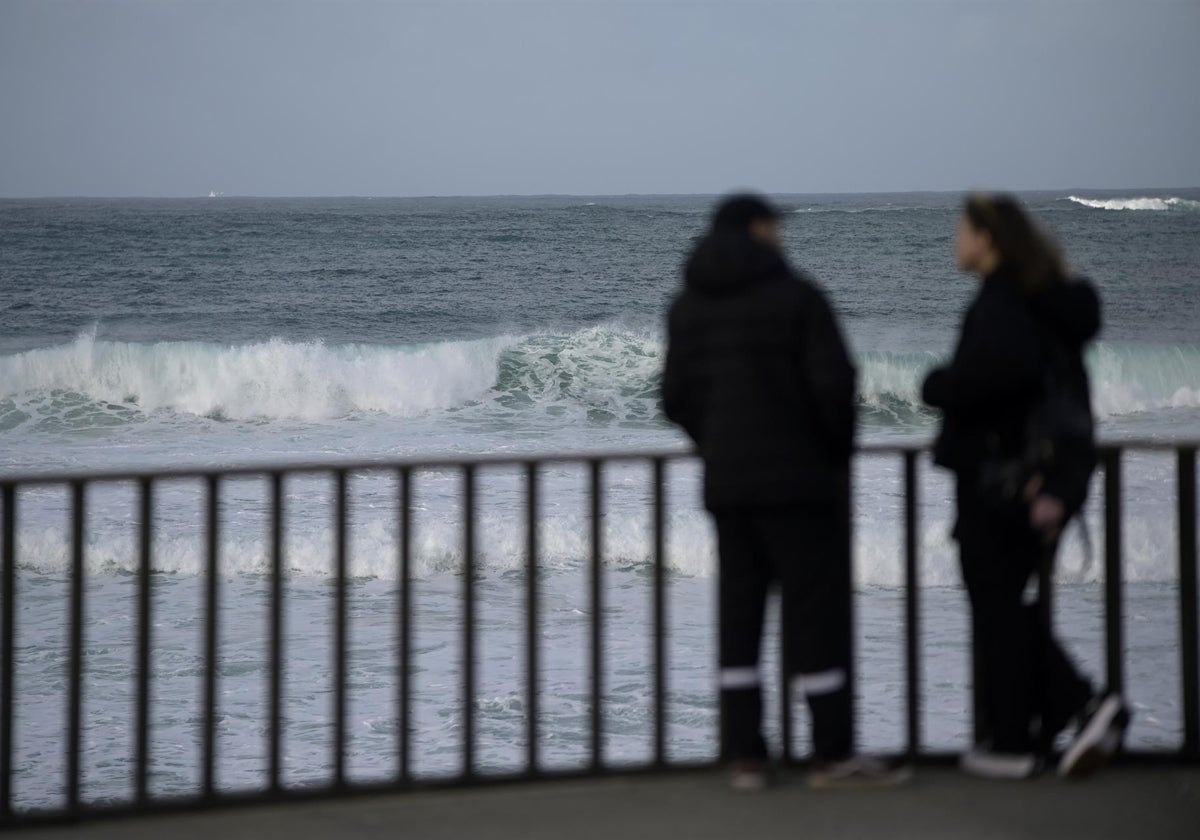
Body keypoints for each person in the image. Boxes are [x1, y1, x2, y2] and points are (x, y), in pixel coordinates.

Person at [662, 194, 905, 790]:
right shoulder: (798, 297)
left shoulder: (688, 306)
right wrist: (832, 459)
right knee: (814, 618)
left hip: (729, 487)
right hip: (801, 486)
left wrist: (717, 444)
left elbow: (675, 398)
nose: (781, 236)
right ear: (756, 229)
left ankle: (747, 756)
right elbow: (835, 388)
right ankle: (829, 753)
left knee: (739, 619)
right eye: (774, 225)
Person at [922, 193, 1128, 780]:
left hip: (1005, 483)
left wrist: (941, 385)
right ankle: (1014, 740)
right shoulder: (1033, 301)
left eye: (961, 229)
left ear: (988, 239)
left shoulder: (1003, 302)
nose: (954, 240)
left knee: (998, 607)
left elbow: (997, 375)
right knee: (1003, 607)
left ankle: (1085, 705)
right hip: (1038, 481)